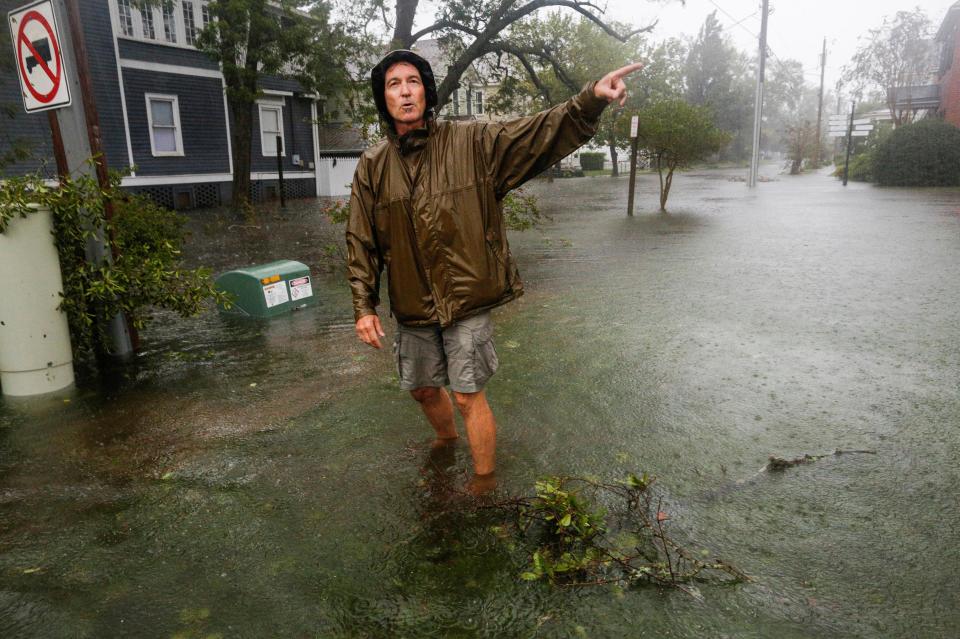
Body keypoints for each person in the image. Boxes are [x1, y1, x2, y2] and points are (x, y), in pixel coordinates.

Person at [347, 49, 642, 492]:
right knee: (423, 390)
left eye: (413, 81)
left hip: (467, 296)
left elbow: (538, 133)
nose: (405, 91)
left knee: (467, 394)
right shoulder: (372, 165)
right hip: (412, 302)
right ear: (383, 97)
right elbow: (361, 239)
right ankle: (446, 443)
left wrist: (591, 100)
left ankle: (485, 484)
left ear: (426, 91)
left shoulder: (472, 142)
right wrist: (363, 305)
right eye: (394, 84)